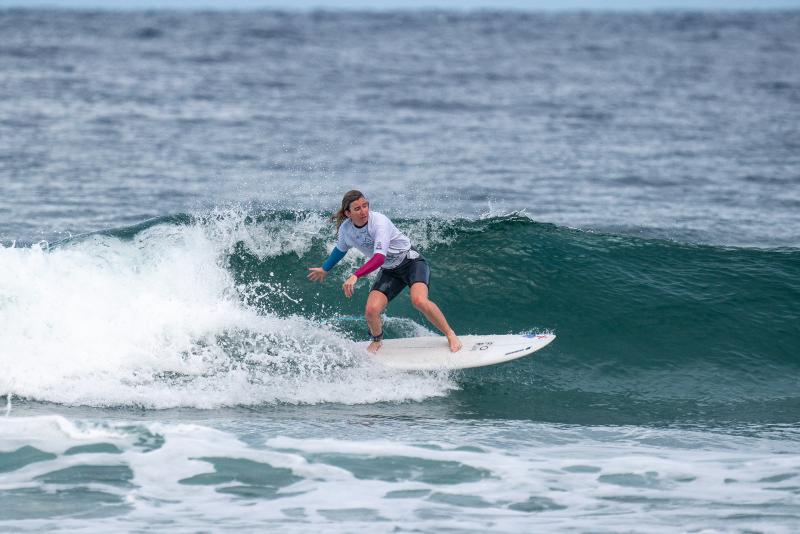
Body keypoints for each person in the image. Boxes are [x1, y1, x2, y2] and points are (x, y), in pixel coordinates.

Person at [308, 190, 462, 354]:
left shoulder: (379, 222)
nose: (363, 211)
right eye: (357, 209)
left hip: (411, 262)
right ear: (348, 213)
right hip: (390, 271)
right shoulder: (346, 229)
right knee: (371, 310)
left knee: (419, 300)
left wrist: (356, 275)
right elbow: (340, 249)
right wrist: (325, 268)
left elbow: (379, 258)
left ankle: (450, 334)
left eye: (365, 206)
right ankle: (377, 340)